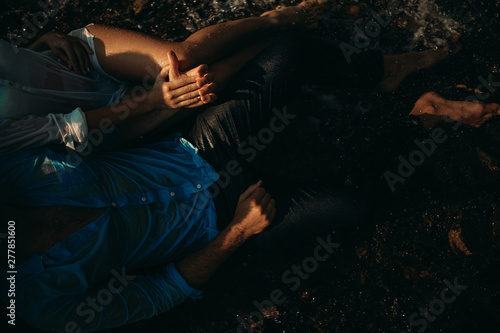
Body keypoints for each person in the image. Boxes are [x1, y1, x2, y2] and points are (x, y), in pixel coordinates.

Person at [2, 1, 499, 332]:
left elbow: (84, 131)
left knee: (286, 55)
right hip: (215, 221)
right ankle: (420, 118)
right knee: (359, 203)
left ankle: (381, 75)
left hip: (196, 151)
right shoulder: (35, 304)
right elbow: (158, 293)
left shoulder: (16, 173)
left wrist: (155, 103)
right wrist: (236, 233)